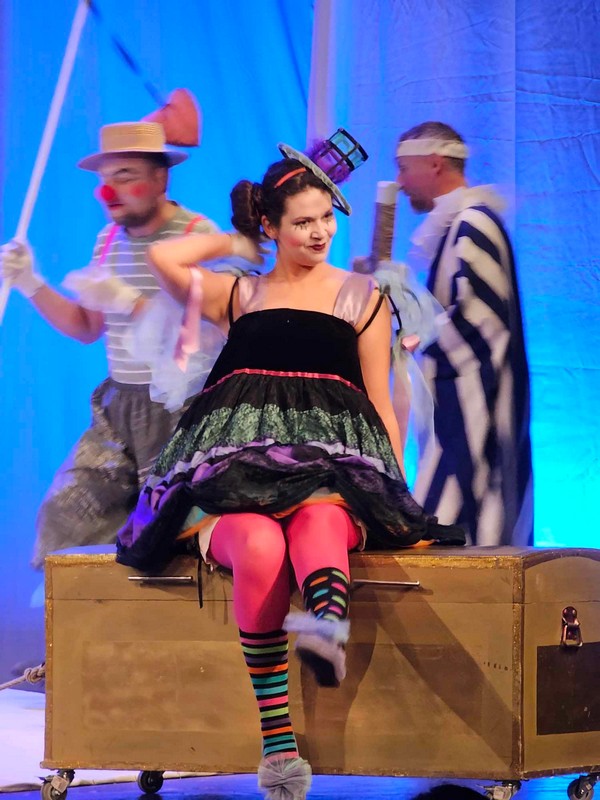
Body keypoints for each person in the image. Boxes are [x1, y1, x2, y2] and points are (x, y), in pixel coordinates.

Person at [116, 129, 465, 800]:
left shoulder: (361, 296)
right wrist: (234, 241)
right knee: (257, 544)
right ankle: (278, 742)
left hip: (327, 470)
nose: (320, 232)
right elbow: (165, 256)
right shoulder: (239, 295)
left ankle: (327, 622)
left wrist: (390, 485)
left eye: (326, 217)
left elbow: (379, 399)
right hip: (235, 473)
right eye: (302, 222)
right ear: (272, 227)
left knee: (320, 521)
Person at [0, 121, 218, 569]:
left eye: (124, 175)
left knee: (170, 534)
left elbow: (211, 332)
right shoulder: (108, 241)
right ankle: (77, 608)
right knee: (65, 515)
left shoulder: (197, 236)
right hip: (119, 411)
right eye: (104, 179)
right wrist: (29, 282)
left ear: (160, 178)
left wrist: (129, 302)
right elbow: (85, 327)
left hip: (181, 411)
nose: (109, 191)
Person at [395, 121, 533, 546]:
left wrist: (415, 338)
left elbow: (480, 322)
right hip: (457, 412)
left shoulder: (473, 224)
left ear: (435, 164)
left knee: (463, 525)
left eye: (404, 168)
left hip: (476, 418)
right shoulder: (459, 225)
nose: (400, 183)